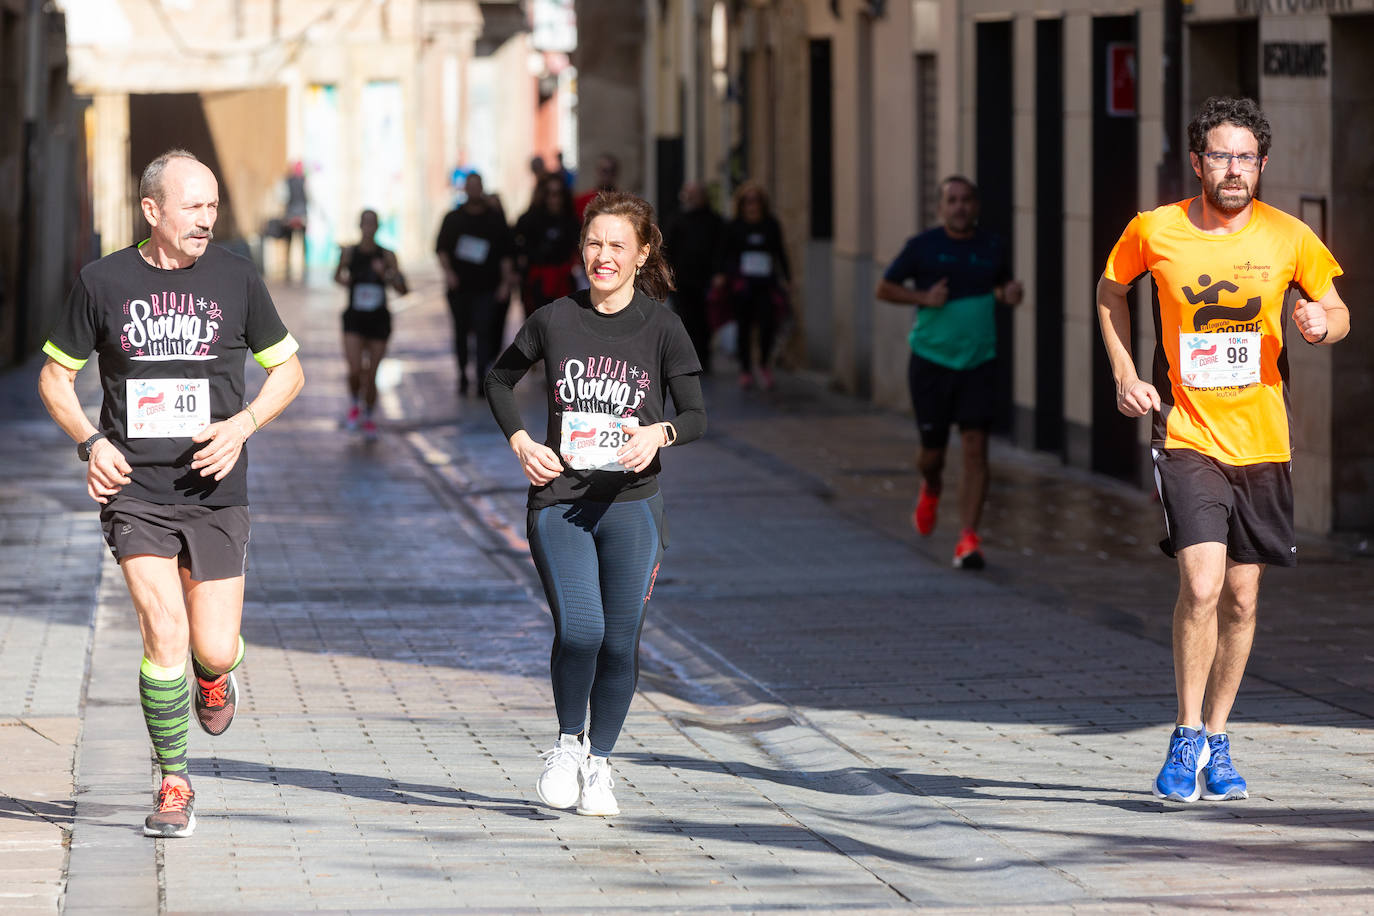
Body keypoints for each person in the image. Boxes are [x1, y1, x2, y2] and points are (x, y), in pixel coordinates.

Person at [37, 149, 305, 837]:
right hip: (136, 492)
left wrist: (243, 425)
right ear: (152, 210)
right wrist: (91, 443)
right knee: (164, 632)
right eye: (193, 206)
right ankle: (174, 782)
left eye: (212, 206)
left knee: (211, 646)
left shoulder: (237, 278)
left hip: (217, 490)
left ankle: (215, 673)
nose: (206, 220)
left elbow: (289, 373)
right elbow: (53, 379)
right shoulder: (102, 281)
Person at [1097, 96, 1349, 803]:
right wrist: (1126, 374)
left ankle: (1218, 736)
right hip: (1184, 432)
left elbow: (1340, 310)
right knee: (1202, 585)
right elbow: (1109, 291)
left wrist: (1318, 322)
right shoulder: (1157, 229)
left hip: (1262, 440)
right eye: (1220, 155)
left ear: (1262, 164)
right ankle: (1183, 736)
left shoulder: (1289, 236)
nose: (1232, 169)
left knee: (1241, 597)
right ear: (1198, 161)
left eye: (1245, 157)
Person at [484, 191, 706, 817]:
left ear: (641, 255)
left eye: (617, 246)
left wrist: (656, 433)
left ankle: (601, 762)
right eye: (594, 244)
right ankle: (565, 744)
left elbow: (695, 416)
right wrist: (522, 440)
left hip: (634, 506)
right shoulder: (555, 318)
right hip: (560, 502)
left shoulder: (663, 326)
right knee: (581, 629)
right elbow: (499, 379)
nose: (602, 256)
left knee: (621, 641)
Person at [875, 175, 1023, 570]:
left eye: (966, 200)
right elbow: (884, 288)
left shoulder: (992, 246)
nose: (959, 206)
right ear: (941, 207)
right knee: (932, 454)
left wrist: (1011, 294)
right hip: (931, 362)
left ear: (975, 205)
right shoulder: (922, 247)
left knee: (976, 446)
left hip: (979, 361)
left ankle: (968, 538)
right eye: (952, 200)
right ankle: (932, 484)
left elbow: (1005, 287)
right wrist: (923, 297)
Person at [435, 172, 517, 396]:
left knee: (484, 330)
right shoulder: (453, 218)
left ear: (481, 188)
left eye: (477, 186)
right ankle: (462, 373)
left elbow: (506, 253)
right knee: (461, 331)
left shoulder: (494, 219)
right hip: (460, 287)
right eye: (469, 186)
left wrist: (504, 283)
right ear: (465, 189)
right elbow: (441, 249)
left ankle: (481, 374)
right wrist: (449, 273)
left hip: (487, 286)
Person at [334, 209, 408, 439]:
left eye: (372, 223)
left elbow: (403, 288)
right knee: (355, 369)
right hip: (355, 317)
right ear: (360, 226)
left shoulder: (387, 255)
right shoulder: (349, 253)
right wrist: (348, 282)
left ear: (377, 227)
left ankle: (368, 415)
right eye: (365, 223)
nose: (368, 227)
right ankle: (355, 403)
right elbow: (337, 276)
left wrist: (385, 274)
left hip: (378, 320)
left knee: (372, 371)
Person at [713, 181, 791, 391]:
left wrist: (787, 278)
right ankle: (746, 369)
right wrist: (721, 274)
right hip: (742, 284)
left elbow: (780, 252)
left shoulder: (771, 224)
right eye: (748, 200)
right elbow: (724, 251)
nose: (752, 205)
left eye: (756, 200)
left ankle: (764, 364)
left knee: (768, 324)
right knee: (744, 326)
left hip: (766, 282)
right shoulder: (734, 226)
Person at [664, 181, 723, 372]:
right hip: (682, 280)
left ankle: (703, 359)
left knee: (704, 321)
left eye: (695, 194)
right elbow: (667, 248)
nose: (690, 198)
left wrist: (718, 273)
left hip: (706, 280)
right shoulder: (676, 219)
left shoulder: (714, 221)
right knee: (685, 320)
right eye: (688, 194)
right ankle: (687, 360)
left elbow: (720, 249)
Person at [514, 174, 580, 316]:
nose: (554, 199)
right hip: (537, 282)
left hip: (563, 282)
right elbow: (516, 246)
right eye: (549, 194)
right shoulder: (529, 219)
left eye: (557, 194)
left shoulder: (571, 221)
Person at [281, 160, 308, 283]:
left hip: (290, 215)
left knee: (290, 243)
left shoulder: (287, 181)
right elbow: (308, 198)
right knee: (302, 243)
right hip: (302, 215)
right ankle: (304, 267)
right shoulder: (304, 180)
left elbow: (283, 198)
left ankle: (288, 268)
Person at [574, 152, 619, 223]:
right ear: (597, 171)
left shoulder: (623, 202)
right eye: (604, 170)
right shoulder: (581, 201)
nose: (607, 175)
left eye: (611, 171)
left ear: (615, 174)